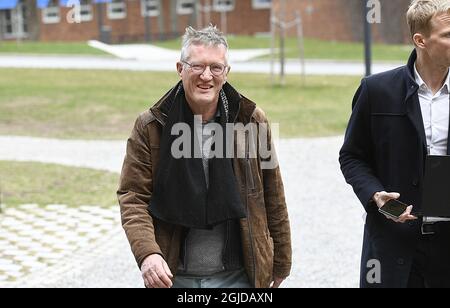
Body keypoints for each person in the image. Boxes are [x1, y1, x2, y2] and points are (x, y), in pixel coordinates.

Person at [117, 25, 292, 289]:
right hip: (173, 276)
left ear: (227, 72)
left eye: (216, 67)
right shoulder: (151, 126)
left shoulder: (252, 121)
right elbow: (133, 197)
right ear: (180, 68)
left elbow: (272, 193)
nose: (206, 76)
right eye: (197, 66)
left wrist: (281, 262)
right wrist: (148, 254)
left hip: (240, 276)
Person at [340, 0, 450, 288]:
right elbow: (352, 157)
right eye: (448, 34)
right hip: (393, 243)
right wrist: (378, 197)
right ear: (420, 40)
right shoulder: (376, 90)